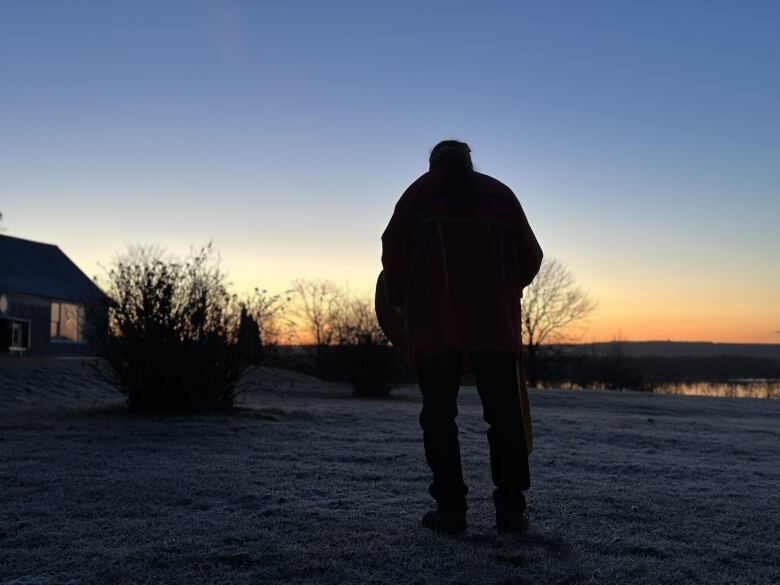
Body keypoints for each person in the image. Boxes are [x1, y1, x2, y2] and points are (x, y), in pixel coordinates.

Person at [381, 140, 543, 534]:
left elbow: (393, 256)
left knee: (439, 417)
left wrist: (404, 301)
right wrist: (505, 288)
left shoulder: (417, 197)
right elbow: (531, 257)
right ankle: (510, 511)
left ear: (433, 163)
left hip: (436, 324)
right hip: (495, 325)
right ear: (470, 161)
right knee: (504, 418)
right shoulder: (501, 196)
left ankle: (451, 511)